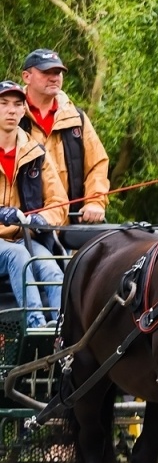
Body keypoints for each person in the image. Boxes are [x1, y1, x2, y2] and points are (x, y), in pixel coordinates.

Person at [0, 80, 67, 326]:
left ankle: (62, 330)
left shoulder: (36, 151)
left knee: (52, 270)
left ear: (23, 110)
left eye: (17, 105)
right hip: (10, 248)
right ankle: (37, 326)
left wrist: (44, 219)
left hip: (26, 237)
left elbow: (59, 201)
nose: (11, 110)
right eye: (3, 104)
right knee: (17, 256)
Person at [18, 48, 110, 226]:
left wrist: (95, 202)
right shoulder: (10, 117)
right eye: (46, 72)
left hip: (71, 226)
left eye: (58, 72)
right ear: (26, 77)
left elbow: (97, 165)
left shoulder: (77, 118)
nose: (54, 77)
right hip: (22, 229)